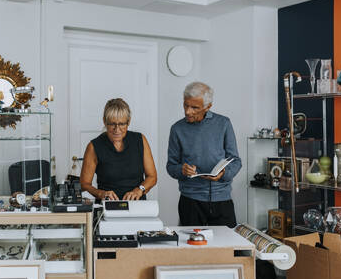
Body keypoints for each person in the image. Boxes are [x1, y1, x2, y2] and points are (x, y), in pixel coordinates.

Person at [166, 82, 241, 227]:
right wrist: (182, 169)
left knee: (226, 248)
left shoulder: (224, 124)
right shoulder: (177, 129)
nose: (188, 111)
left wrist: (224, 173)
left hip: (222, 201)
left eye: (195, 107)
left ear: (208, 107)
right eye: (186, 105)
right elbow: (171, 166)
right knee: (192, 249)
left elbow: (236, 161)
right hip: (190, 202)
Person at [80, 98, 157, 201]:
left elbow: (152, 177)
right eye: (112, 124)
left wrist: (139, 190)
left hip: (137, 204)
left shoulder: (140, 140)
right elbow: (84, 184)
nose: (117, 129)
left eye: (121, 124)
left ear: (128, 122)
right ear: (105, 121)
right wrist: (100, 193)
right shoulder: (94, 146)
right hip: (107, 205)